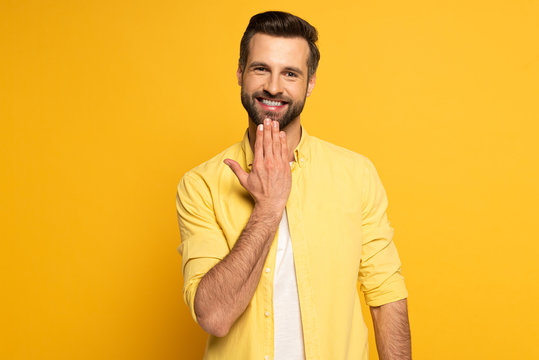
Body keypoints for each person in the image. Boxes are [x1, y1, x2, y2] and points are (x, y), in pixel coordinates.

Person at [176, 11, 411, 360]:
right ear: (240, 72)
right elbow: (215, 316)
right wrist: (268, 207)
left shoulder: (356, 174)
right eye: (260, 69)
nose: (273, 86)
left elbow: (385, 296)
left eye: (290, 73)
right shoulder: (201, 185)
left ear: (310, 82)